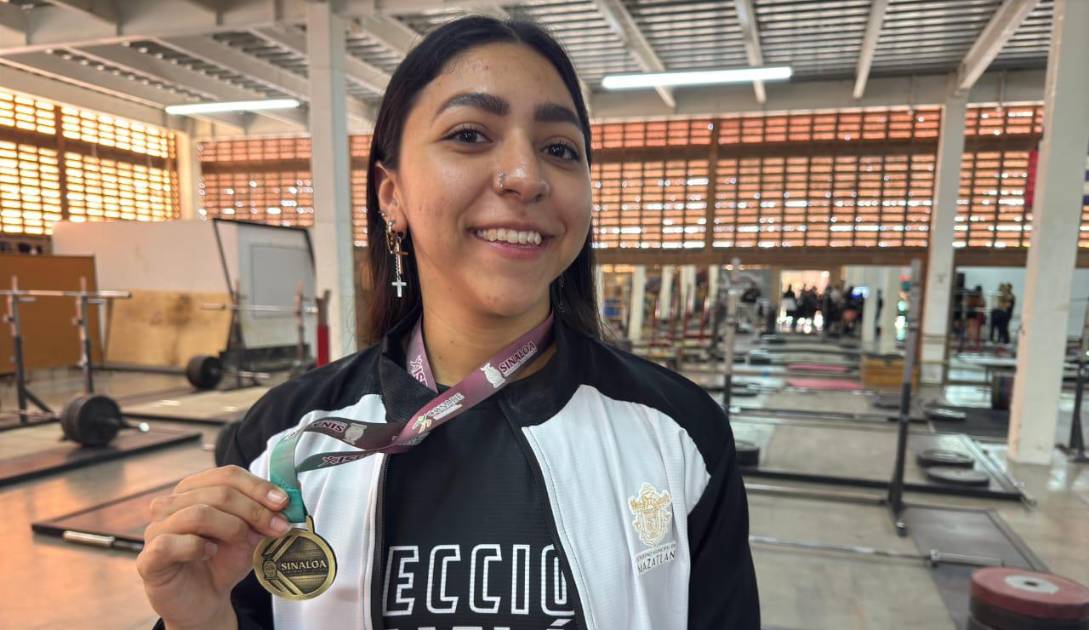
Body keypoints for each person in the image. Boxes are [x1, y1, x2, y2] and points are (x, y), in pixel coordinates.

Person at [136, 16, 759, 630]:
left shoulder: (678, 432)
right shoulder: (284, 443)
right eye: (469, 135)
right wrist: (201, 622)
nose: (526, 177)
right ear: (391, 195)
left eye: (559, 149)